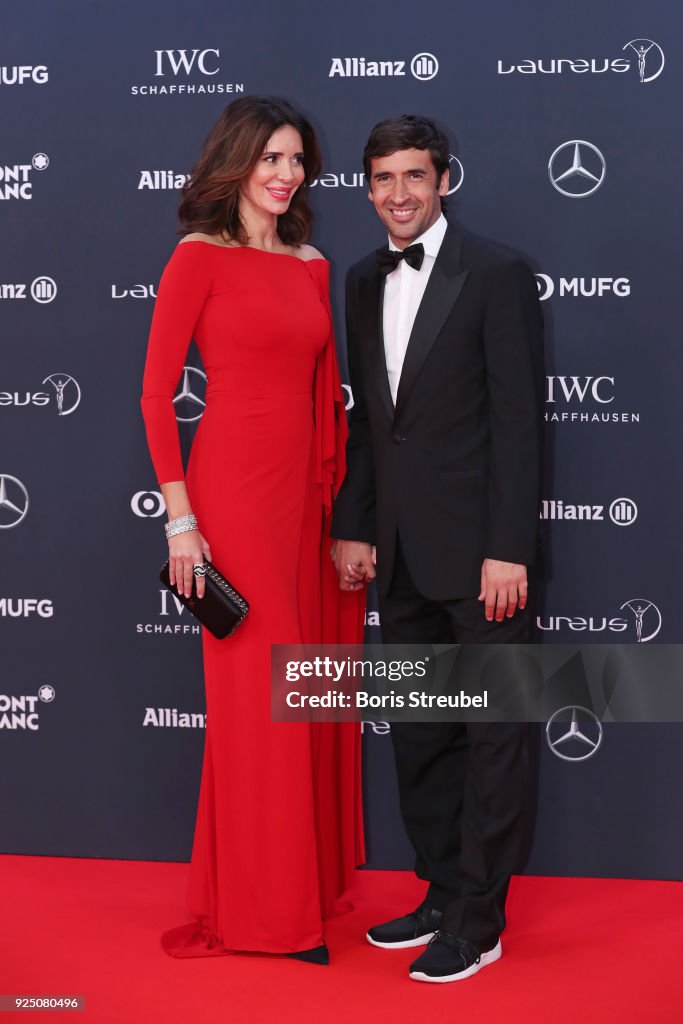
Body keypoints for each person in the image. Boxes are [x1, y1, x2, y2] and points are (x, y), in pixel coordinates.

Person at [141, 96, 364, 965]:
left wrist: (340, 513)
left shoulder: (312, 265)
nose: (286, 174)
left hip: (301, 506)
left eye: (297, 160)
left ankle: (285, 890)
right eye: (270, 157)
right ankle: (269, 920)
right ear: (235, 163)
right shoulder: (196, 258)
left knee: (302, 688)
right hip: (228, 499)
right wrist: (181, 523)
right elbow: (157, 396)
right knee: (258, 701)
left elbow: (326, 400)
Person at [331, 114, 543, 983]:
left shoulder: (494, 272)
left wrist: (508, 547)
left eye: (414, 176)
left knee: (494, 737)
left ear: (444, 180)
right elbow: (371, 425)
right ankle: (440, 890)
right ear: (368, 187)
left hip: (482, 558)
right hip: (401, 555)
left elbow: (518, 421)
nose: (398, 195)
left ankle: (479, 921)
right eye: (382, 179)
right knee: (420, 735)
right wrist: (354, 521)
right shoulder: (357, 279)